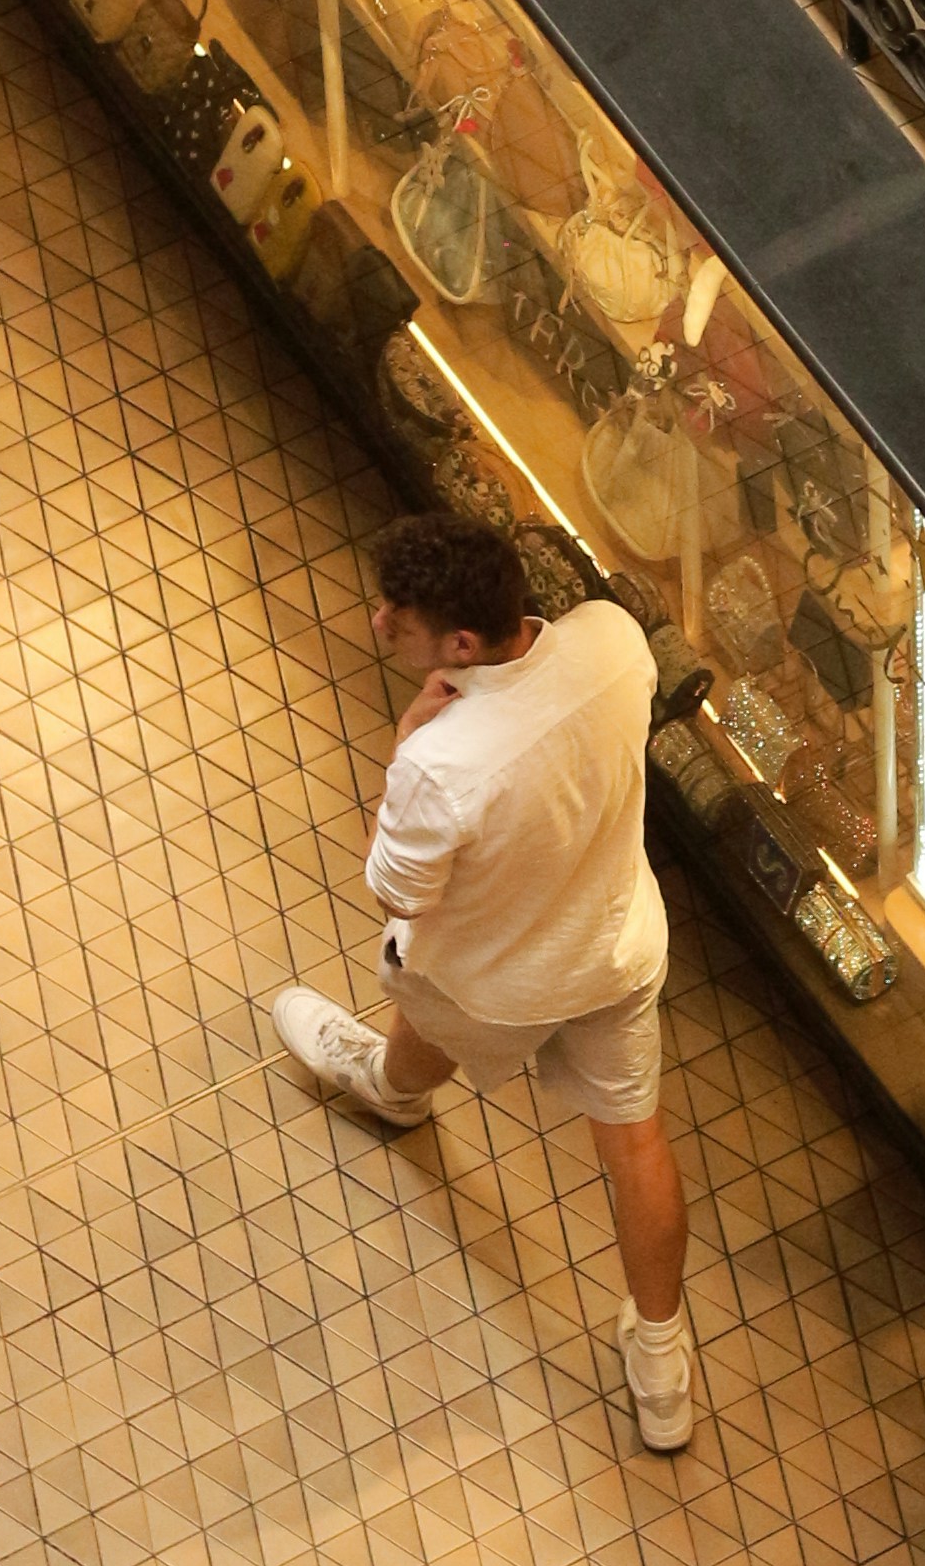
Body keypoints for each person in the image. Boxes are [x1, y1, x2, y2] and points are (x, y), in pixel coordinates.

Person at [271, 514, 696, 1450]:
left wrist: (403, 747)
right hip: (616, 948)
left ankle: (388, 1089)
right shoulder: (614, 642)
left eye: (400, 615)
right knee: (635, 1142)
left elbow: (396, 888)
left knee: (435, 1012)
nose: (381, 623)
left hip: (496, 984)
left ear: (459, 644)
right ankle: (662, 1367)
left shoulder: (442, 760)